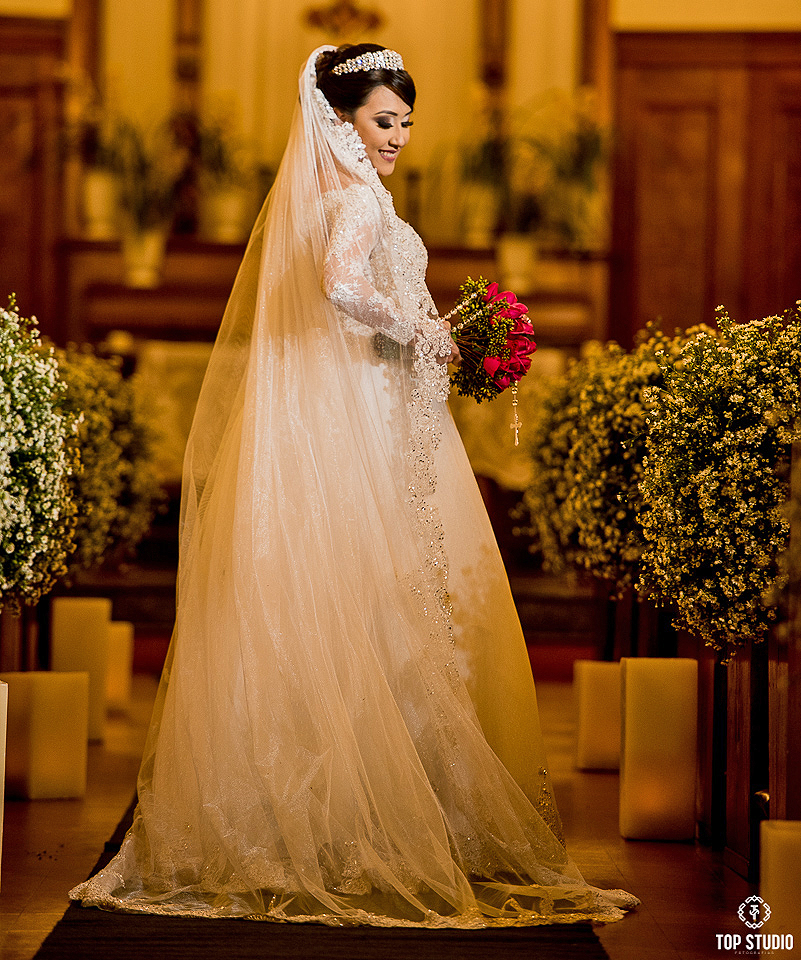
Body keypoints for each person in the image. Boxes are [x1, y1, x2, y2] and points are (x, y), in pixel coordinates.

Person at [71, 45, 637, 927]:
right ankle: (372, 815)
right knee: (376, 588)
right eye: (382, 120)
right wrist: (421, 327)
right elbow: (341, 285)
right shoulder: (355, 202)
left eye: (406, 121)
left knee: (339, 590)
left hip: (341, 402)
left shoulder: (338, 197)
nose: (398, 136)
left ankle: (329, 809)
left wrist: (425, 327)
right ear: (338, 122)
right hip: (360, 412)